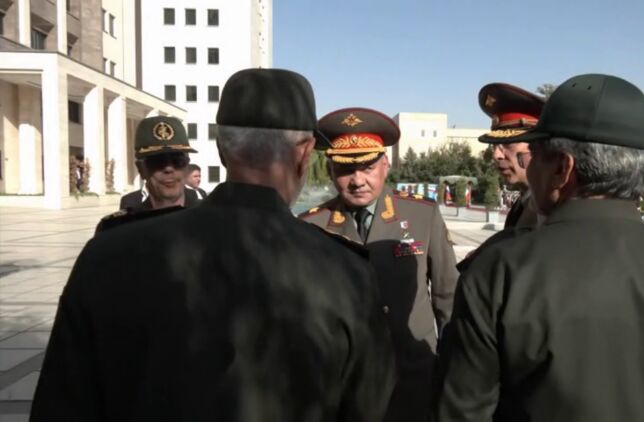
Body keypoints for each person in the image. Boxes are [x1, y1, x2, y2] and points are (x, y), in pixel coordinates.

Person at [31, 69, 395, 422]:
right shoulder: (347, 273)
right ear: (304, 153)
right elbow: (368, 406)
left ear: (221, 149)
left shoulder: (109, 255)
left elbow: (62, 405)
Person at [434, 74, 644, 421]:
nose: (530, 167)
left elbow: (460, 411)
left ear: (562, 168)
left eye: (535, 155)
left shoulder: (500, 273)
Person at [299, 107, 458, 421]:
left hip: (413, 379)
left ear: (385, 165)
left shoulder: (421, 215)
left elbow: (448, 298)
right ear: (330, 169)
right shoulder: (310, 226)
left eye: (368, 167)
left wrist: (453, 372)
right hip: (343, 386)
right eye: (345, 169)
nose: (358, 180)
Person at [477, 83, 545, 228]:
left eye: (508, 144)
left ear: (537, 145)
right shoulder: (524, 203)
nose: (496, 155)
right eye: (494, 145)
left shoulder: (550, 210)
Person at [118, 116, 200, 211]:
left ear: (187, 167)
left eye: (177, 161)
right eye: (158, 161)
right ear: (141, 169)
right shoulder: (129, 220)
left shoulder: (211, 216)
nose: (169, 168)